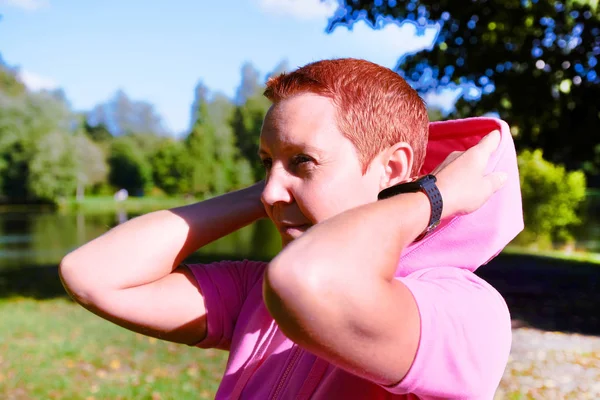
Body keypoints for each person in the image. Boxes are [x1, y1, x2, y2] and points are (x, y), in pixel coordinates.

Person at [59, 58, 523, 399]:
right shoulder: (256, 292)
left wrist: (427, 197)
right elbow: (92, 275)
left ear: (394, 168)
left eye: (305, 160)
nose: (268, 193)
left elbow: (311, 282)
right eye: (265, 164)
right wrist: (281, 180)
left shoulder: (461, 309)